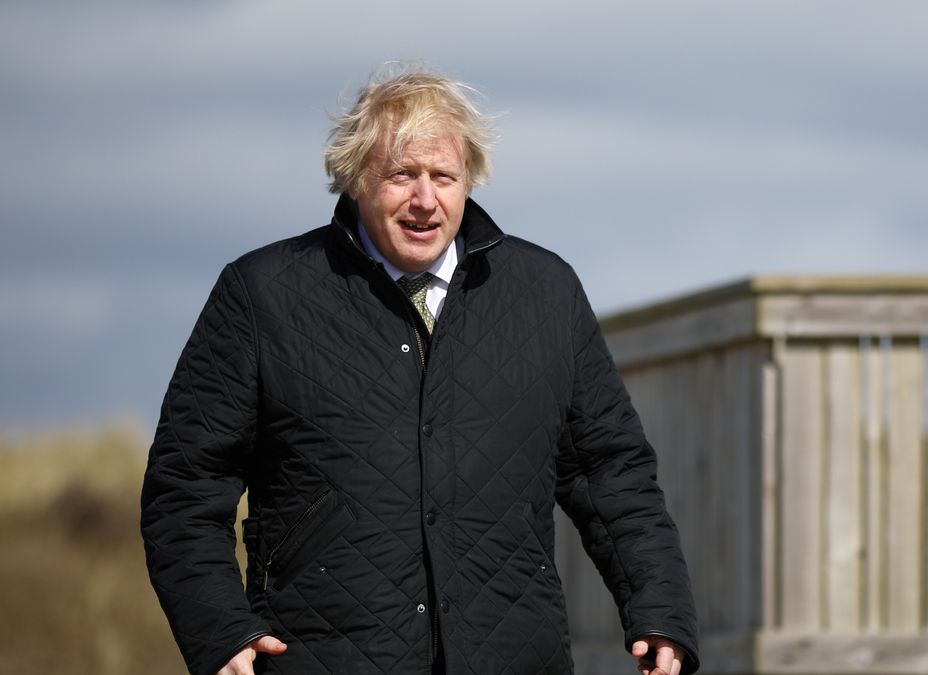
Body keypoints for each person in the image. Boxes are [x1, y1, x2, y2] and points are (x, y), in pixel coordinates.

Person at [140, 67, 699, 675]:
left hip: (514, 656)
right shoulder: (260, 295)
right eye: (402, 175)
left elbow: (611, 472)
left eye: (443, 177)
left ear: (469, 182)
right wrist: (219, 630)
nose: (425, 200)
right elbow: (185, 489)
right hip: (321, 658)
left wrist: (660, 611)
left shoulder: (547, 293)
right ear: (355, 179)